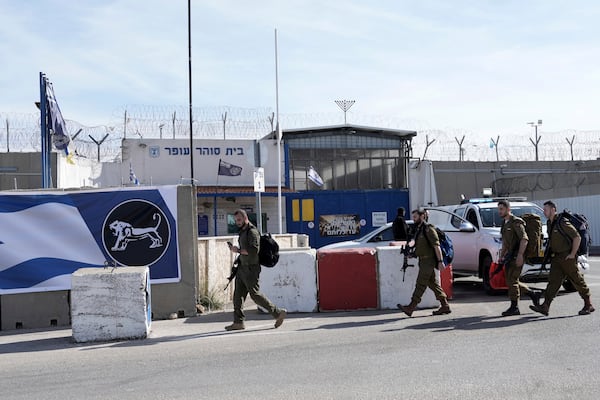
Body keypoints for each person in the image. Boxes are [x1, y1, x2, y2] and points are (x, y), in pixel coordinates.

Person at [225, 209, 287, 331]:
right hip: (242, 268)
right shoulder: (243, 231)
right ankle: (238, 322)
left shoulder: (252, 232)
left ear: (245, 218)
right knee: (237, 296)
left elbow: (253, 251)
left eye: (239, 220)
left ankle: (277, 313)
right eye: (236, 220)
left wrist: (237, 250)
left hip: (251, 268)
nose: (237, 222)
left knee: (255, 295)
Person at [530, 201, 595, 316]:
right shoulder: (550, 223)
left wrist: (572, 254)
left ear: (553, 209)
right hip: (556, 258)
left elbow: (577, 237)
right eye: (544, 209)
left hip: (566, 257)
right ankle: (545, 306)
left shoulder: (562, 222)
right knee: (553, 282)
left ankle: (588, 304)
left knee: (577, 280)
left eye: (546, 209)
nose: (544, 212)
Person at [398, 209, 451, 317]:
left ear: (422, 216)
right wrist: (412, 254)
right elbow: (421, 247)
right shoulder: (419, 230)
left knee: (420, 284)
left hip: (428, 261)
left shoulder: (428, 229)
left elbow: (437, 246)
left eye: (415, 217)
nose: (414, 219)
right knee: (432, 283)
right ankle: (445, 305)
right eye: (413, 217)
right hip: (422, 261)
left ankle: (411, 307)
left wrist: (440, 261)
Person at [497, 200, 541, 316]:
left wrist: (521, 255)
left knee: (512, 280)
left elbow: (524, 239)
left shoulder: (516, 222)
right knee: (511, 281)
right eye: (499, 209)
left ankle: (514, 307)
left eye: (501, 209)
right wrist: (501, 256)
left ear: (508, 209)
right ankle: (532, 293)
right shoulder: (504, 223)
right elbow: (505, 243)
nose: (499, 211)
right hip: (509, 256)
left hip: (517, 255)